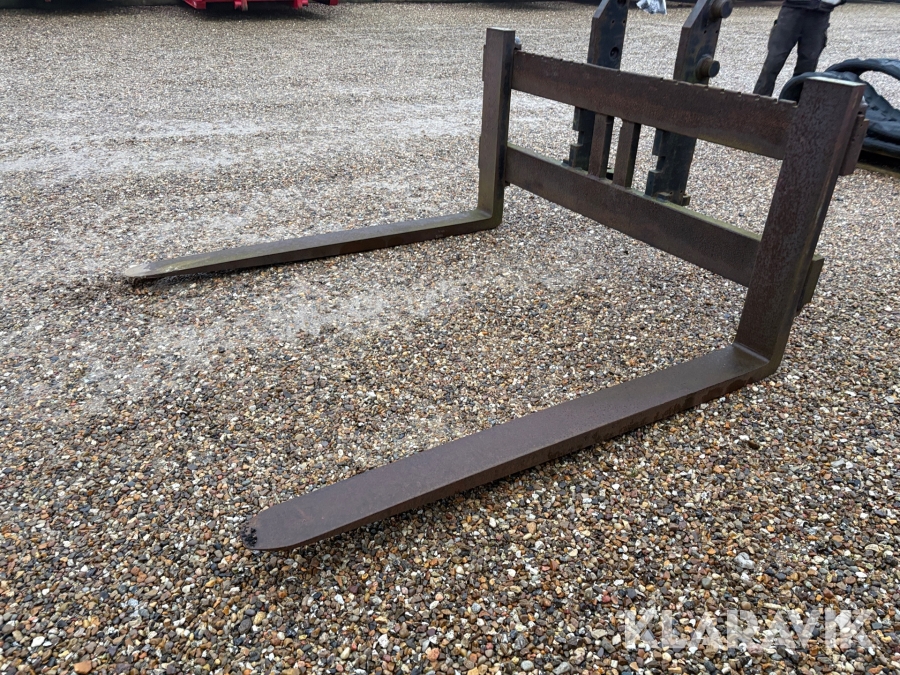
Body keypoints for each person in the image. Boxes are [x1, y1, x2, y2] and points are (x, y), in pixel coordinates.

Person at [753, 0, 845, 97]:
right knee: (773, 62)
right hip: (792, 10)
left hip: (820, 14)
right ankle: (759, 101)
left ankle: (796, 101)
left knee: (807, 66)